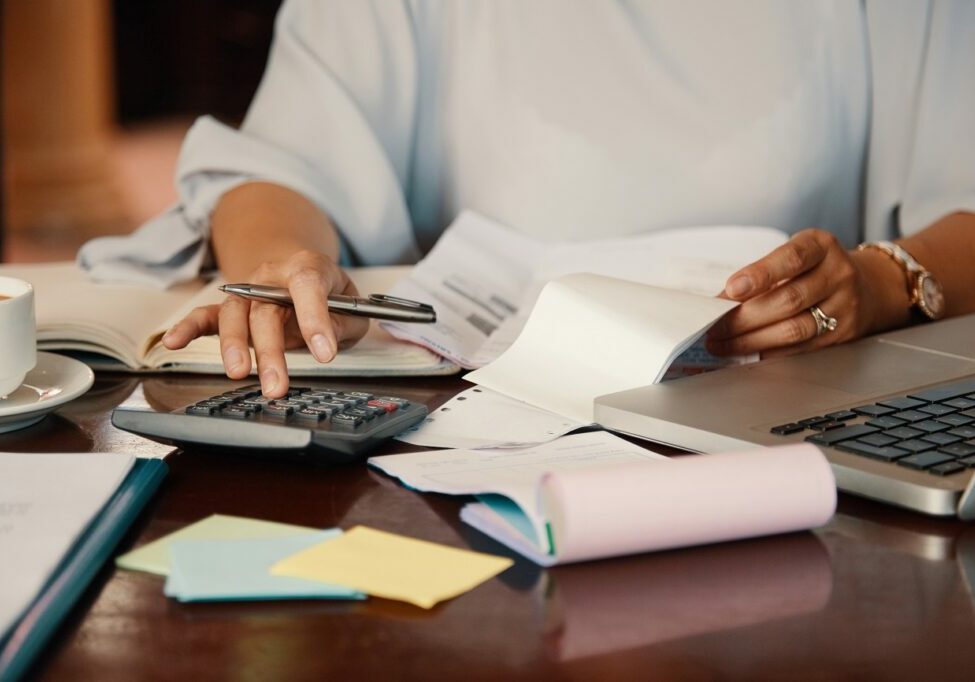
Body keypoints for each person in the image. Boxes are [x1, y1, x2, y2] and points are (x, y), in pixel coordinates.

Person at [79, 0, 975, 399]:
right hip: (478, 413)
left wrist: (884, 279)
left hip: (786, 419)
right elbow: (278, 168)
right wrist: (286, 262)